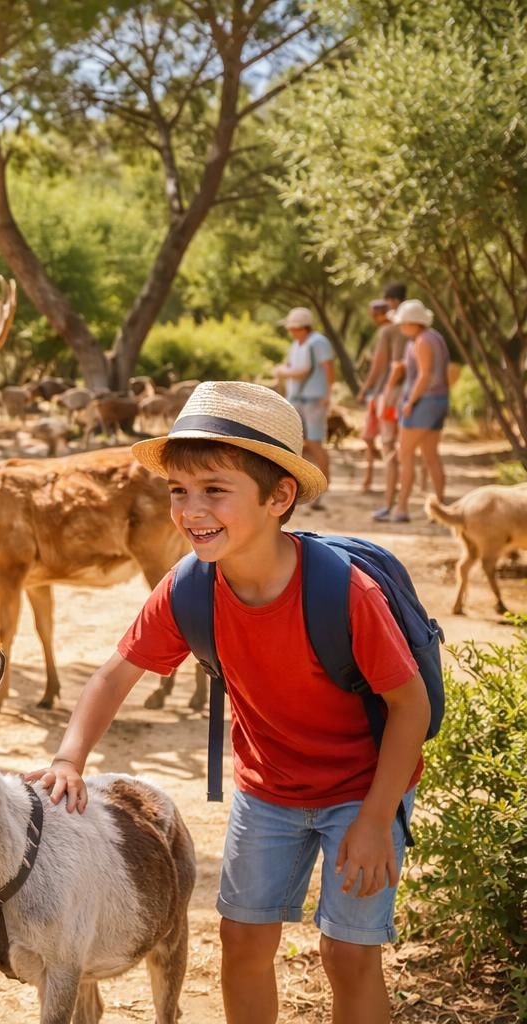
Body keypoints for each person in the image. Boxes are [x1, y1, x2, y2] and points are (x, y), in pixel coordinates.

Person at [31, 381, 427, 1024]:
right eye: (178, 492)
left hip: (365, 787)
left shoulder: (344, 593)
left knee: (348, 955)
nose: (191, 510)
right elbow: (112, 677)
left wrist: (378, 819)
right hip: (269, 789)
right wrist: (70, 756)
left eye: (215, 490)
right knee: (242, 942)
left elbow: (409, 706)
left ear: (279, 497)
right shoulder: (189, 587)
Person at [375, 300, 450, 524]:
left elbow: (425, 375)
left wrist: (409, 402)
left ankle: (401, 508)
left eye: (403, 323)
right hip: (439, 401)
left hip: (423, 403)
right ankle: (440, 510)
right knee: (431, 455)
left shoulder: (422, 341)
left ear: (412, 322)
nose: (400, 327)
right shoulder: (435, 337)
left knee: (404, 456)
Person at [272, 307, 335, 511]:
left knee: (315, 443)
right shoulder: (297, 345)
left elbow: (327, 369)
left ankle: (323, 488)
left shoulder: (318, 342)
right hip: (297, 399)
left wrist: (328, 394)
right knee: (298, 443)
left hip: (315, 398)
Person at [357, 298, 404, 500]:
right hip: (400, 393)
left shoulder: (386, 332)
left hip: (383, 393)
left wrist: (365, 389)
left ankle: (384, 487)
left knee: (379, 439)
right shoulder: (405, 331)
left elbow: (379, 365)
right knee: (392, 440)